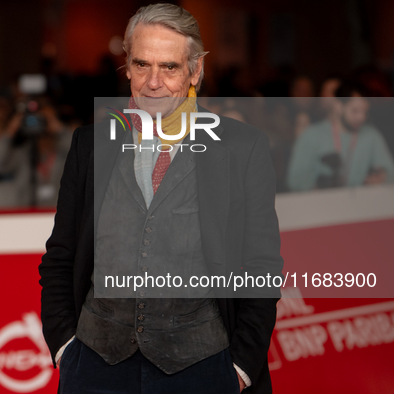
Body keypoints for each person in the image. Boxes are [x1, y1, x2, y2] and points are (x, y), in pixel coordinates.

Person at [39, 4, 284, 394]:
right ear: (127, 67)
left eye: (169, 67)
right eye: (142, 65)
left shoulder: (241, 148)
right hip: (94, 366)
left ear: (195, 71)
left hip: (203, 367)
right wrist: (65, 347)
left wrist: (240, 367)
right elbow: (61, 255)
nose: (153, 82)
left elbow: (262, 265)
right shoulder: (90, 145)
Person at [287, 82, 394, 191]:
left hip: (361, 202)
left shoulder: (371, 135)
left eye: (365, 111)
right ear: (338, 106)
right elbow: (295, 180)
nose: (361, 117)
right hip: (321, 203)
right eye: (355, 111)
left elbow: (390, 172)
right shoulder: (311, 135)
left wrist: (382, 178)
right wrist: (317, 191)